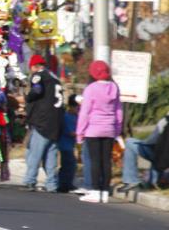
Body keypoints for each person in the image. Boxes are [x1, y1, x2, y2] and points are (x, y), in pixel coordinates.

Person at [76, 60, 123, 203]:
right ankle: (104, 191)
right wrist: (117, 129)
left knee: (95, 161)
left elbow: (85, 112)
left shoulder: (91, 89)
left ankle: (95, 191)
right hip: (109, 128)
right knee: (106, 161)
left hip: (93, 129)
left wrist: (80, 132)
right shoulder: (114, 88)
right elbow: (119, 111)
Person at [22, 53, 65, 193]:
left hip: (43, 121)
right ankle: (52, 183)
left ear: (35, 66)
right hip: (57, 121)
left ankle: (30, 180)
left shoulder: (39, 75)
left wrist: (28, 97)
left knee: (35, 152)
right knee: (51, 153)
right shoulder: (55, 78)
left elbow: (37, 90)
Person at [119, 111, 169, 194]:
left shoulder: (165, 122)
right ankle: (153, 182)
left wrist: (142, 142)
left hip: (160, 157)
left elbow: (152, 140)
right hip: (163, 159)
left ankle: (131, 180)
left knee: (130, 142)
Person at [58, 96, 79, 193]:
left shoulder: (76, 117)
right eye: (77, 108)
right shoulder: (66, 117)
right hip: (65, 145)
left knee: (71, 164)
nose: (78, 110)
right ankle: (63, 184)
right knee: (68, 164)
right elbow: (70, 132)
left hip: (71, 145)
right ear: (71, 107)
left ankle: (67, 183)